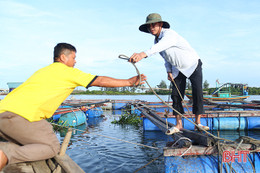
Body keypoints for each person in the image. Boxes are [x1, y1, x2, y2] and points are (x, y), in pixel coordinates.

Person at [0, 42, 146, 170]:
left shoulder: (43, 71)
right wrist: (129, 82)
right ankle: (6, 153)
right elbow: (99, 80)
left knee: (40, 133)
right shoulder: (67, 72)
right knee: (52, 147)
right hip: (20, 116)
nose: (75, 61)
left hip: (3, 114)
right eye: (74, 57)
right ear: (63, 57)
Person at [129, 13, 209, 134]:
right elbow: (166, 58)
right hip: (178, 69)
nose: (151, 28)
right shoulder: (156, 41)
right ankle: (179, 125)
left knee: (197, 92)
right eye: (149, 26)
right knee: (176, 96)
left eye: (154, 25)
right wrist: (169, 71)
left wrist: (142, 54)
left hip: (193, 65)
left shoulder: (169, 34)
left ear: (160, 24)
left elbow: (161, 46)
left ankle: (198, 123)